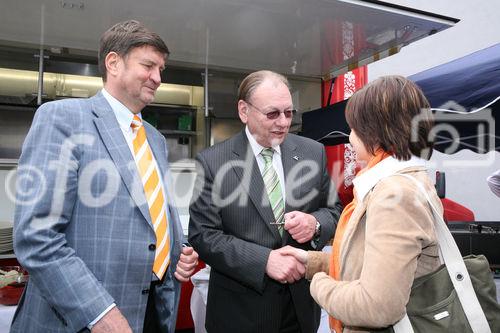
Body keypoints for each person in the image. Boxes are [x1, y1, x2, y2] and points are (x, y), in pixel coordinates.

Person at [12, 20, 198, 333]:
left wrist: (176, 252)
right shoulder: (64, 118)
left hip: (153, 308)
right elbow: (36, 236)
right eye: (149, 65)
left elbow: (148, 215)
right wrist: (98, 312)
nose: (158, 78)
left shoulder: (155, 138)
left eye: (161, 69)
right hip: (88, 317)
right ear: (113, 63)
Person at [283, 75, 443, 333]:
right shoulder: (401, 184)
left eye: (354, 128)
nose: (350, 138)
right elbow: (368, 267)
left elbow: (377, 306)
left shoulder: (394, 194)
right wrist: (310, 263)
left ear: (376, 132)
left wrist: (318, 284)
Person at [188, 70, 342, 333]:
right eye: (272, 114)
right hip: (240, 313)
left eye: (289, 113)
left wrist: (315, 223)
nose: (283, 122)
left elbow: (335, 210)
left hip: (301, 311)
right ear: (244, 111)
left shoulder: (311, 152)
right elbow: (204, 236)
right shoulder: (213, 162)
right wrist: (264, 261)